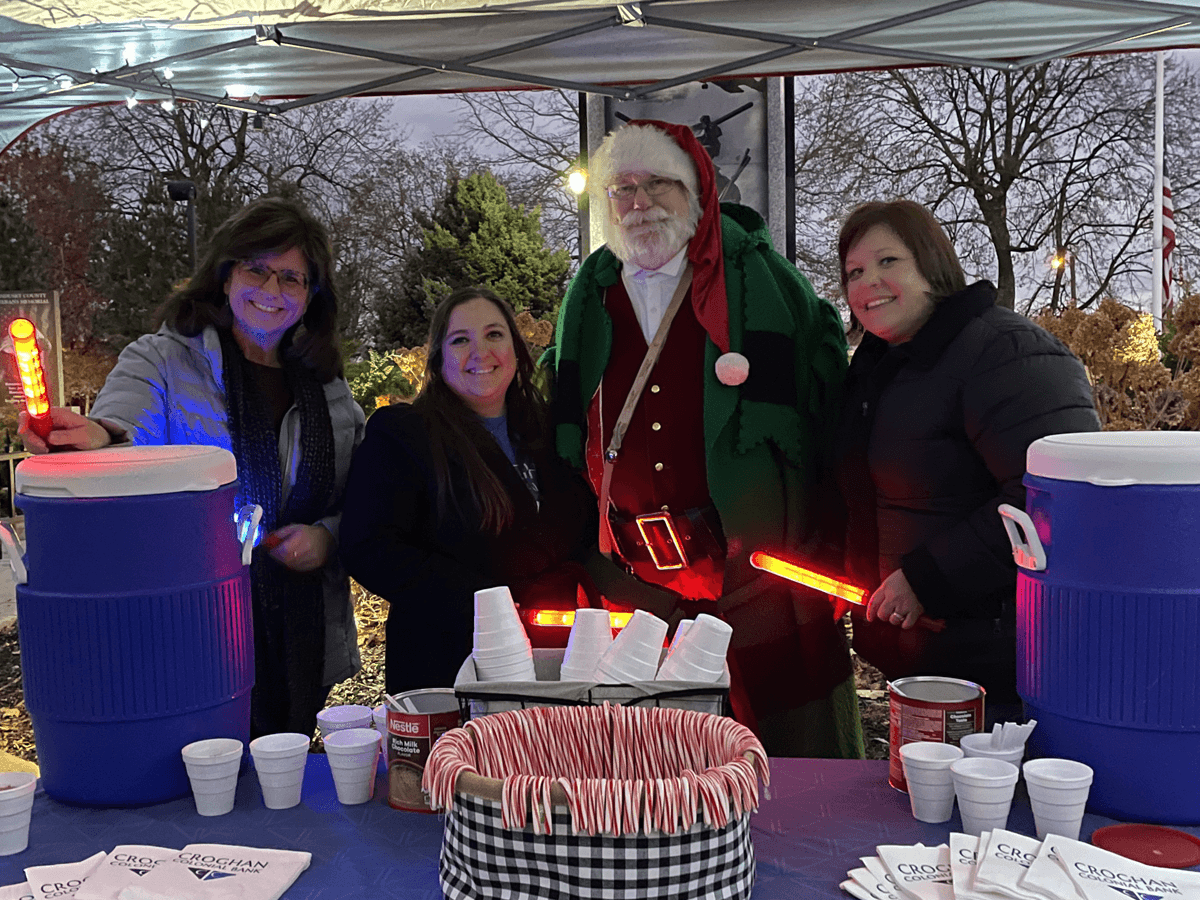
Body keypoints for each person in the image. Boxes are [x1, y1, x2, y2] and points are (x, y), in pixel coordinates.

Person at [549, 120, 863, 759]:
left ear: (693, 190)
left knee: (781, 746)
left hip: (753, 574)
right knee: (655, 756)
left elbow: (824, 409)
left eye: (656, 185)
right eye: (621, 190)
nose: (637, 203)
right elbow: (563, 409)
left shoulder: (765, 283)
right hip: (634, 580)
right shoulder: (588, 296)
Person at [19, 196, 366, 739]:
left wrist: (326, 538)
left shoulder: (332, 389)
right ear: (225, 276)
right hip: (194, 636)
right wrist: (99, 436)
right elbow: (125, 429)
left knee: (288, 786)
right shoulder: (162, 360)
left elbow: (362, 501)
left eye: (291, 279)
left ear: (310, 296)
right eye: (257, 269)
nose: (271, 292)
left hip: (307, 635)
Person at [830, 199, 1100, 710]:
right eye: (855, 271)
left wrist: (927, 579)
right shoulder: (878, 369)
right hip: (926, 655)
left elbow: (1051, 496)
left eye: (889, 262)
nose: (869, 283)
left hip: (1004, 657)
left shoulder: (1005, 352)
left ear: (932, 264)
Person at [339, 287, 600, 695]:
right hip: (450, 664)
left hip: (557, 666)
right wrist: (487, 602)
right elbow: (368, 546)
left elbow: (582, 530)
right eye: (460, 340)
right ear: (439, 359)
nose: (480, 352)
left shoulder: (552, 431)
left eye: (494, 334)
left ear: (516, 348)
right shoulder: (404, 434)